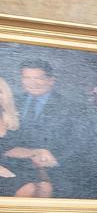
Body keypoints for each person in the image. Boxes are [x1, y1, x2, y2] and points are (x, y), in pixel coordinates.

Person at [6, 58, 88, 198]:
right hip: (12, 166)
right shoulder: (10, 102)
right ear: (22, 80)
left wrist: (56, 160)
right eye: (27, 78)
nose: (33, 83)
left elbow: (81, 142)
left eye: (39, 78)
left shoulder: (72, 107)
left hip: (52, 170)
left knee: (44, 190)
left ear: (51, 80)